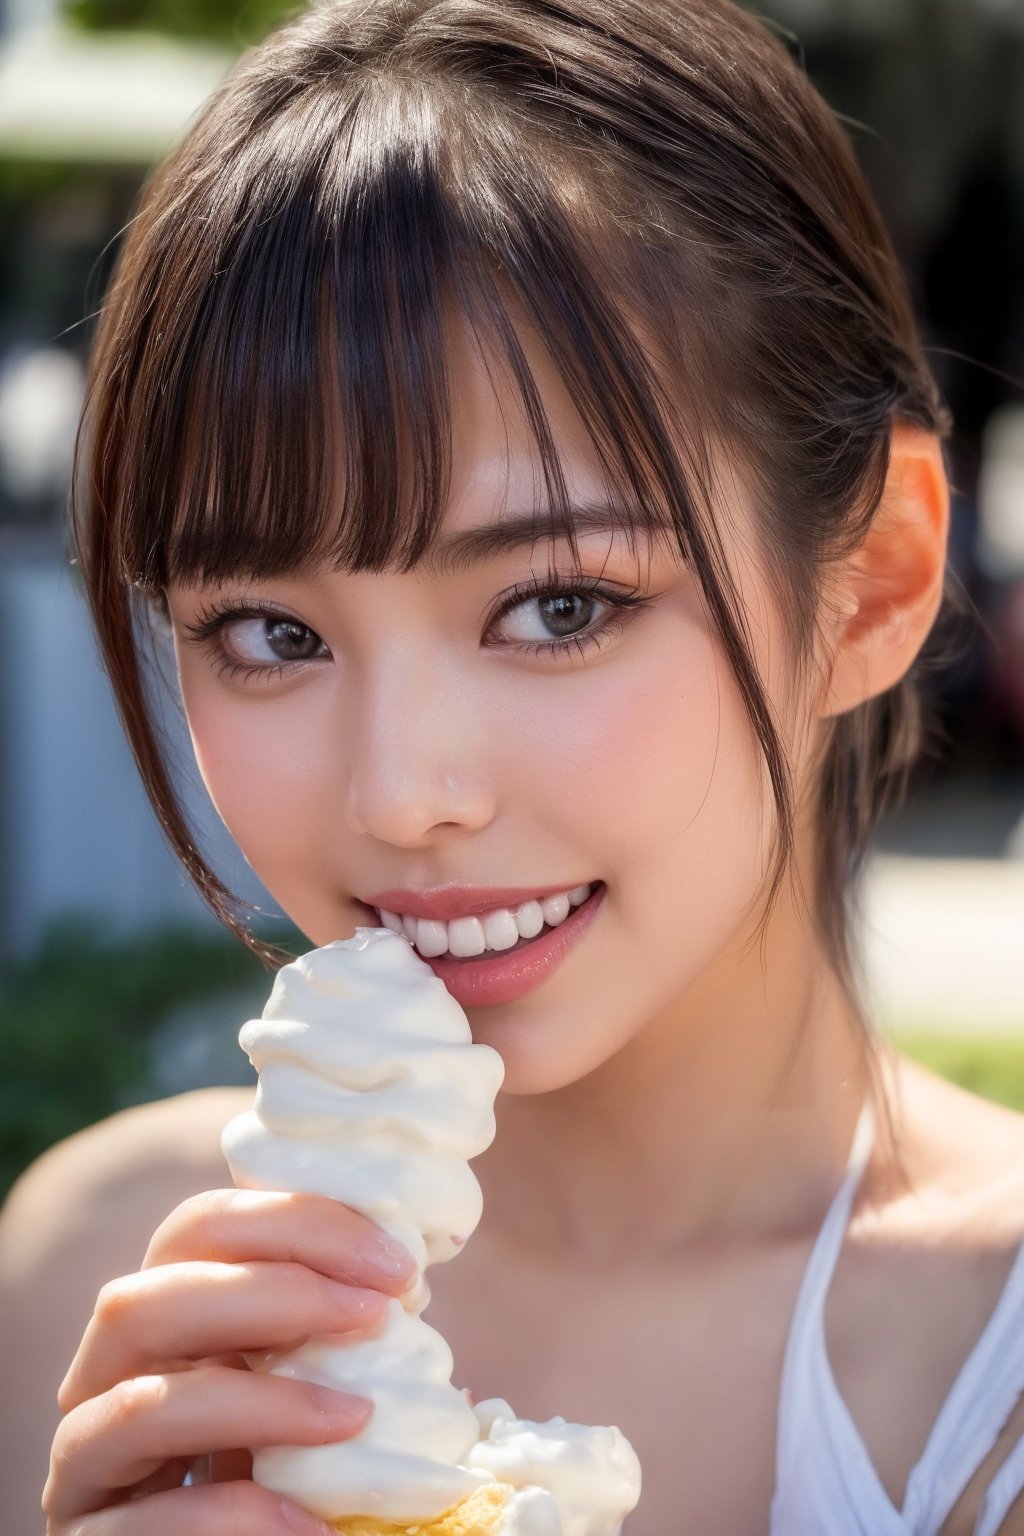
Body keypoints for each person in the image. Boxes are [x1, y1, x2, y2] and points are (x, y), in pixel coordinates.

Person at [4, 0, 1024, 1530]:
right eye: (271, 632)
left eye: (560, 607)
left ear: (871, 582)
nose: (402, 795)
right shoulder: (114, 1296)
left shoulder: (986, 1377)